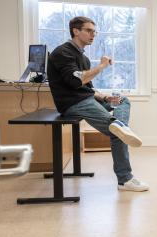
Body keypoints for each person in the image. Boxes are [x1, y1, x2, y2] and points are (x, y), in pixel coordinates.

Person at [47, 16, 149, 192]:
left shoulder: (83, 59)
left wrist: (105, 98)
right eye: (88, 30)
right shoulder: (62, 53)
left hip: (85, 99)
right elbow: (75, 82)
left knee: (122, 101)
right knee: (118, 134)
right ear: (75, 31)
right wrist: (101, 66)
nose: (93, 34)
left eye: (94, 31)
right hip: (72, 104)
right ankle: (125, 180)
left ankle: (119, 124)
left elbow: (89, 89)